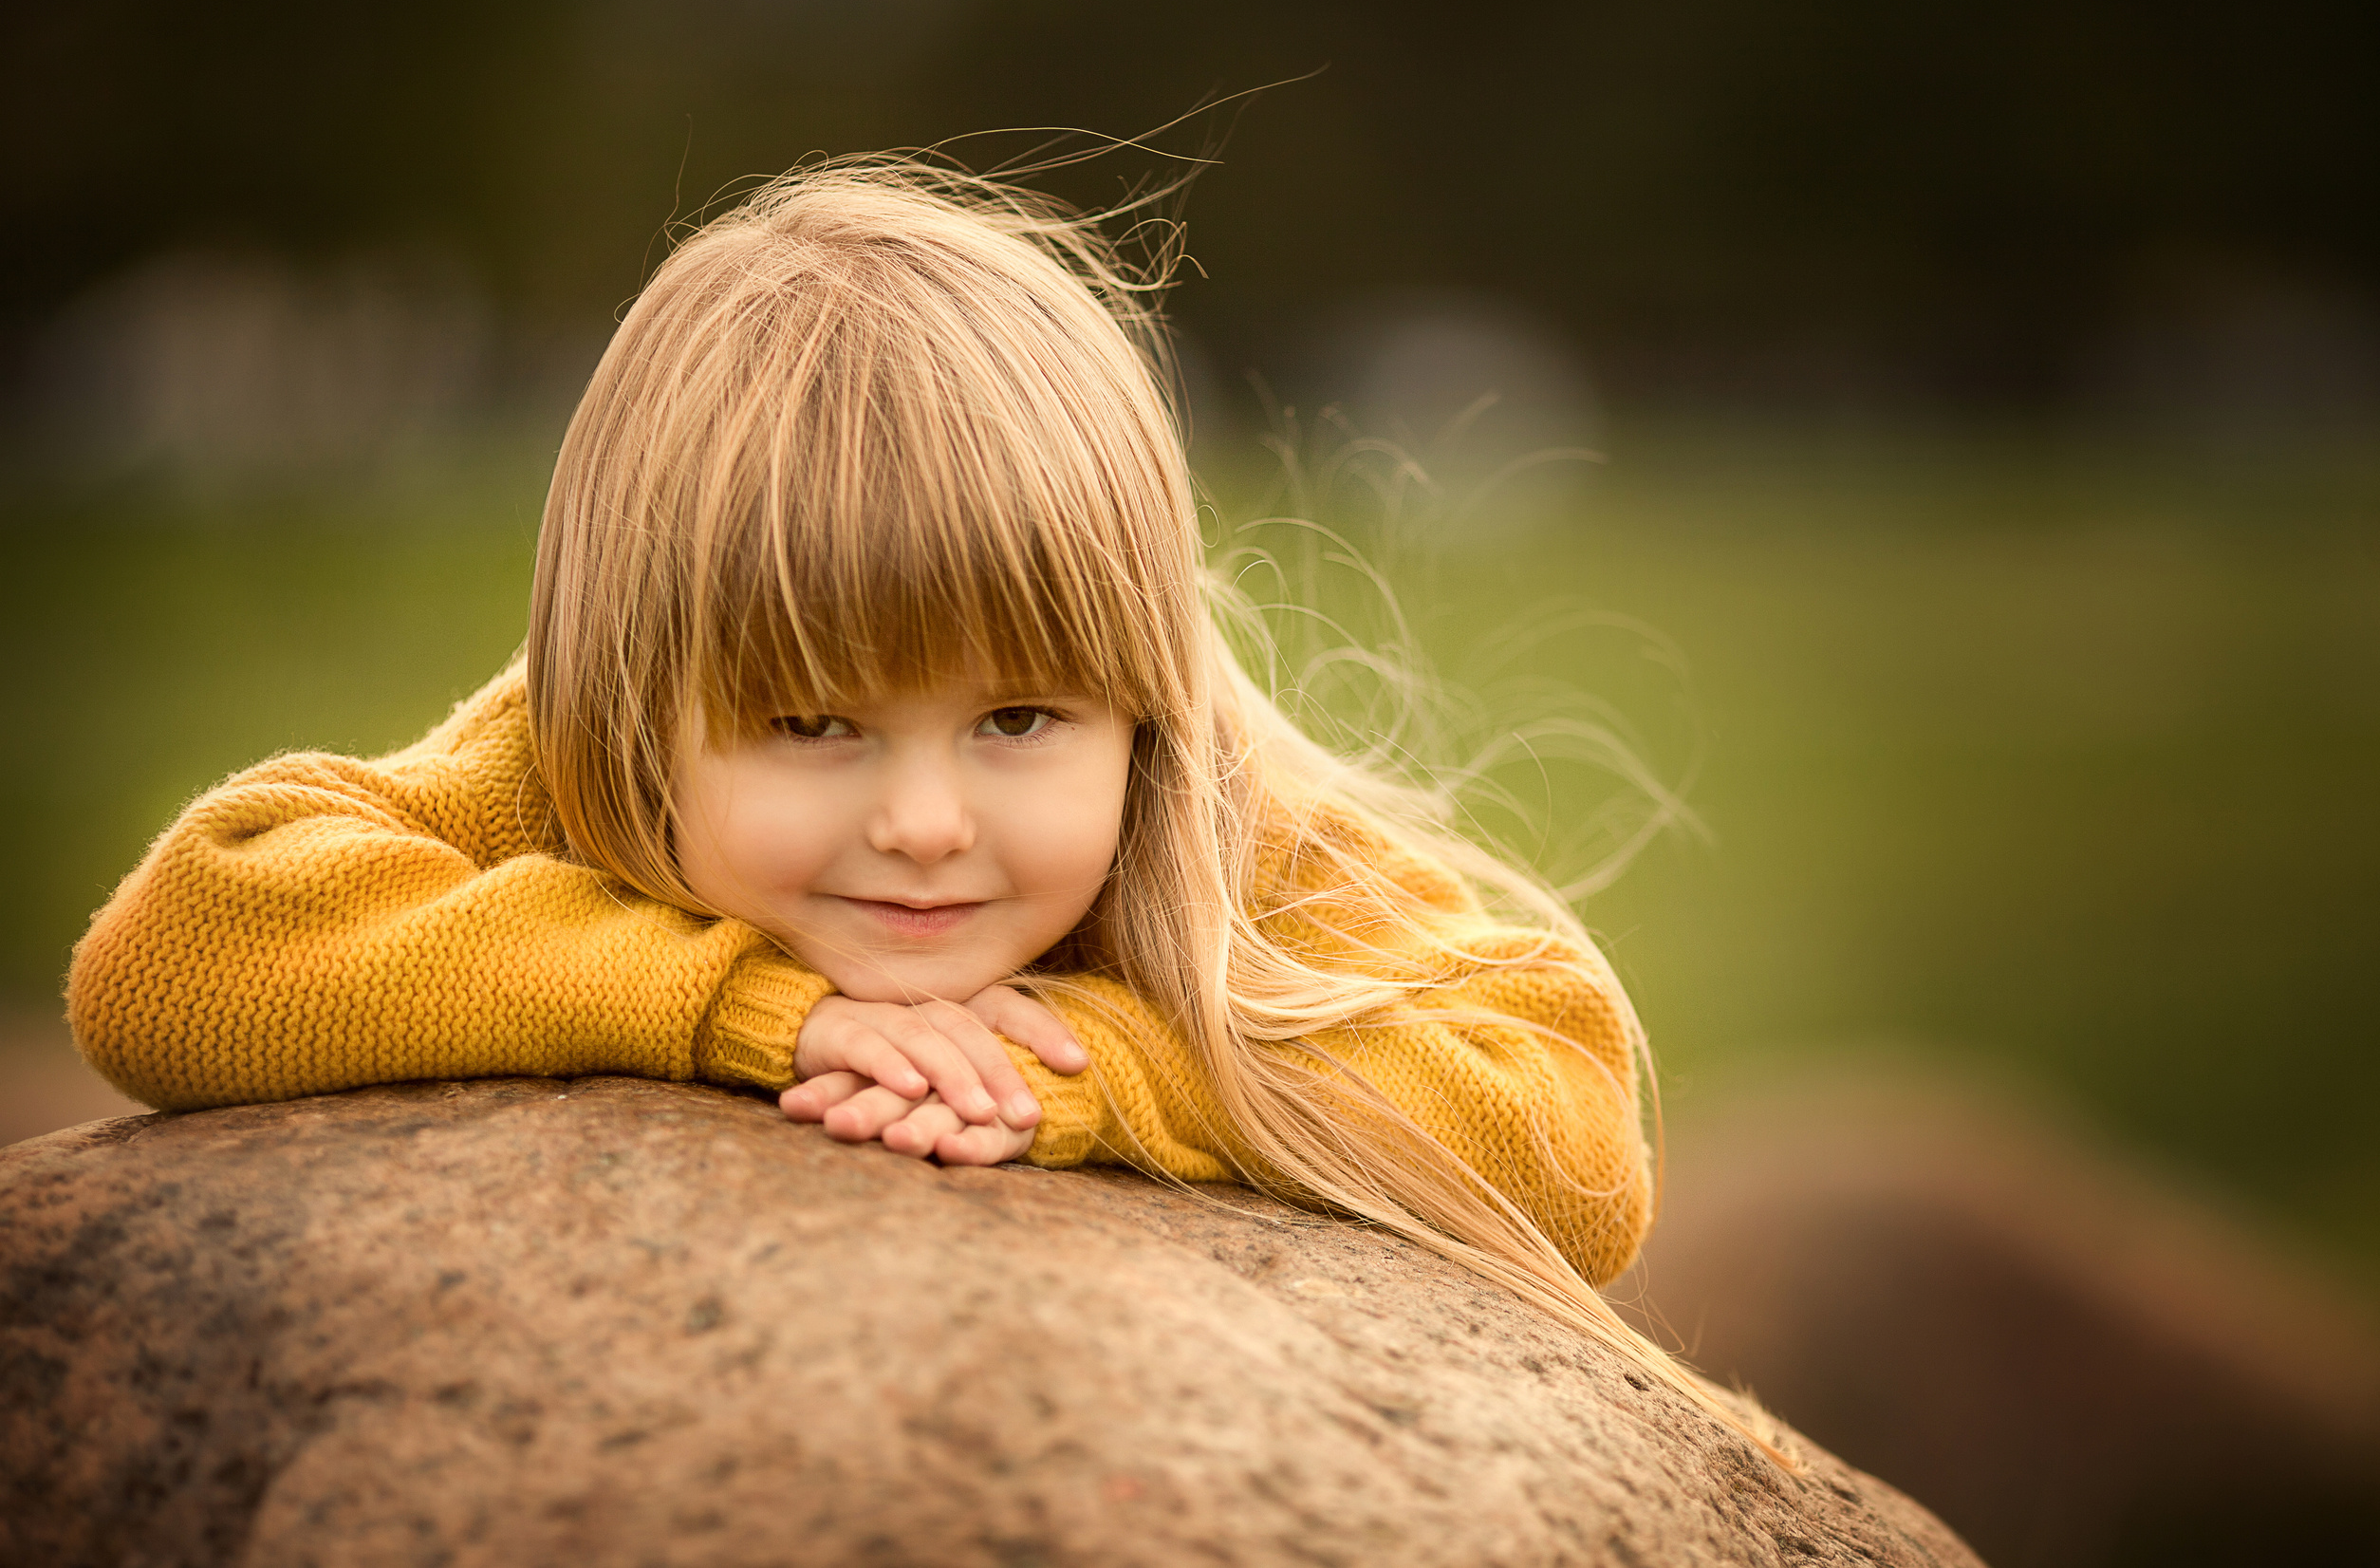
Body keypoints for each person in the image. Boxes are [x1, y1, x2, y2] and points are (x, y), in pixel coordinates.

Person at [68, 156, 1784, 1461]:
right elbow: (182, 943)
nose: (925, 821)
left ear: (1137, 695)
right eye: (813, 722)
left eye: (1019, 718)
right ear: (635, 717)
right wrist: (741, 1008)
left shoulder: (1204, 807)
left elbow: (1562, 1109)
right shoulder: (566, 756)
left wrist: (1110, 1066)